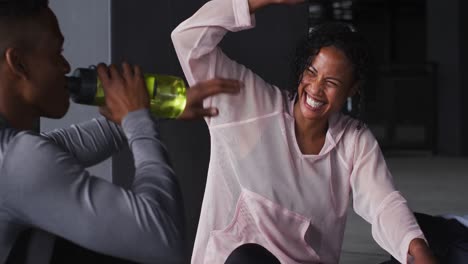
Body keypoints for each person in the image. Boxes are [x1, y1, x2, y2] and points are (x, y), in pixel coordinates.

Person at [171, 0, 438, 263]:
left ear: (352, 90)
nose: (316, 88)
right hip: (236, 260)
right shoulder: (248, 105)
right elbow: (187, 39)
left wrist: (417, 248)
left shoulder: (354, 141)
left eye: (331, 82)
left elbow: (384, 203)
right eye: (311, 72)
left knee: (434, 239)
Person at [0, 0, 240, 263]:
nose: (66, 67)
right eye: (57, 53)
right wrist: (136, 118)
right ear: (19, 64)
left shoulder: (11, 155)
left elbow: (58, 148)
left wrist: (151, 109)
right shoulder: (16, 161)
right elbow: (161, 240)